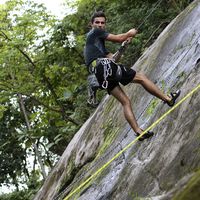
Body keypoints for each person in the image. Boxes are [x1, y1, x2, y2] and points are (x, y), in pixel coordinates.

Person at [84, 11, 180, 141]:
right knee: (141, 78)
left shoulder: (97, 46)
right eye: (97, 22)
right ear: (91, 24)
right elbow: (118, 38)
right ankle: (168, 99)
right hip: (103, 66)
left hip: (100, 73)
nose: (100, 25)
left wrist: (124, 46)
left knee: (125, 101)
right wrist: (129, 33)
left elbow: (113, 59)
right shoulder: (94, 33)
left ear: (105, 24)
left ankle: (138, 132)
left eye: (102, 23)